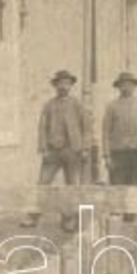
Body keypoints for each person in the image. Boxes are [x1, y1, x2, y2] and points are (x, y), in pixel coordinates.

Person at [26, 70, 87, 231]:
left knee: (72, 185)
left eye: (66, 83)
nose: (63, 86)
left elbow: (86, 127)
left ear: (71, 86)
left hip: (72, 151)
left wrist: (84, 148)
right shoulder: (49, 105)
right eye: (60, 83)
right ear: (55, 86)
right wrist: (43, 148)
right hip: (53, 151)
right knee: (42, 183)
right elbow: (42, 128)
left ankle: (69, 219)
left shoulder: (77, 104)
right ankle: (33, 216)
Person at [103, 72, 137, 186]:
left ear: (134, 87)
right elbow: (105, 132)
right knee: (117, 187)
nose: (126, 88)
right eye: (123, 85)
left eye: (130, 85)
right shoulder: (111, 106)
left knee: (135, 188)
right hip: (118, 153)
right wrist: (107, 155)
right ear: (119, 87)